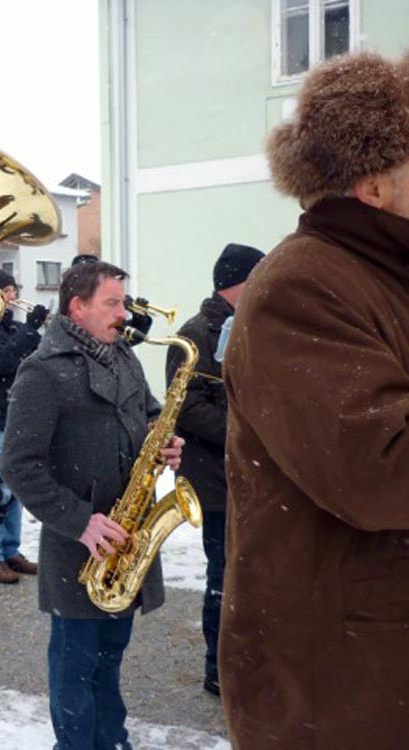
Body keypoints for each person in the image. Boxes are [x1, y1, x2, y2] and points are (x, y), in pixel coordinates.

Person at [220, 50, 409, 750]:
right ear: (374, 185)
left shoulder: (382, 274)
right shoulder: (303, 286)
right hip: (342, 690)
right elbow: (382, 468)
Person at [0, 259, 183, 750]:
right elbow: (19, 465)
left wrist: (161, 438)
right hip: (79, 548)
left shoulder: (123, 357)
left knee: (110, 662)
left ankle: (113, 741)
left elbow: (148, 412)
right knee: (76, 670)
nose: (124, 313)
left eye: (123, 302)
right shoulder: (41, 372)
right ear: (78, 307)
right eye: (113, 303)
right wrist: (81, 522)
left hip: (126, 539)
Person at [164, 242, 263, 698]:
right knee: (224, 578)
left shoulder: (250, 325)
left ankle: (249, 663)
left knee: (254, 577)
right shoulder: (195, 335)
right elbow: (186, 410)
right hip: (216, 481)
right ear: (238, 283)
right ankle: (218, 669)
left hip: (250, 479)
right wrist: (251, 432)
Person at [0, 268, 47, 584]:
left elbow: (33, 355)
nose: (13, 297)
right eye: (6, 290)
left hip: (15, 413)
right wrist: (28, 332)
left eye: (14, 290)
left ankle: (9, 550)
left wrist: (37, 332)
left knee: (15, 487)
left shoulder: (11, 325)